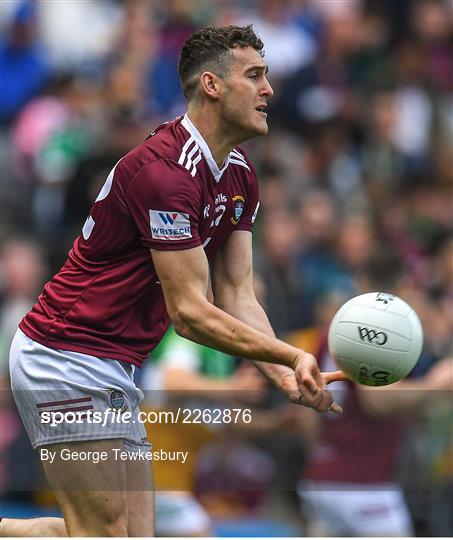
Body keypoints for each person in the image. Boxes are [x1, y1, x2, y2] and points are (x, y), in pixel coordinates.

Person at [4, 25, 345, 537]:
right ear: (211, 84)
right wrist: (290, 353)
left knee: (128, 535)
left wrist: (283, 372)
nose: (268, 89)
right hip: (64, 356)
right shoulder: (163, 172)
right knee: (104, 532)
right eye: (254, 76)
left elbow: (235, 295)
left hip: (116, 366)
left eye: (267, 76)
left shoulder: (239, 176)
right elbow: (188, 311)